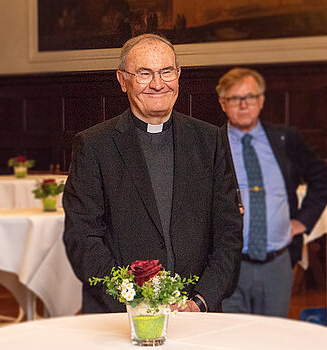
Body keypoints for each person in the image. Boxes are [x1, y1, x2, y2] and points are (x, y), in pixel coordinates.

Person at [63, 33, 243, 314]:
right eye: (144, 73)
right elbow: (83, 238)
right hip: (120, 314)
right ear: (122, 80)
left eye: (166, 71)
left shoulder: (210, 141)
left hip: (196, 315)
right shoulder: (94, 145)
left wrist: (201, 301)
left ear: (179, 75)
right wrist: (135, 300)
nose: (158, 84)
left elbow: (229, 233)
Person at [217, 67, 327, 317]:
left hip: (277, 264)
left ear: (261, 100)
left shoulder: (285, 139)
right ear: (223, 104)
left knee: (274, 337)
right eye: (235, 98)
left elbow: (321, 177)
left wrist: (302, 222)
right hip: (230, 267)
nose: (243, 105)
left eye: (250, 97)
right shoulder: (212, 144)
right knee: (231, 339)